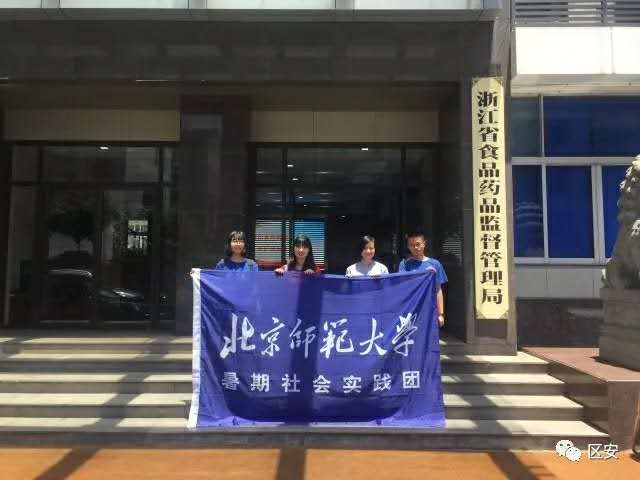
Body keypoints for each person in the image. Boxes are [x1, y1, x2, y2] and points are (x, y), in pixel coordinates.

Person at [399, 231, 448, 328]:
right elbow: (403, 287)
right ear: (408, 247)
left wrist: (440, 313)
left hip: (430, 309)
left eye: (418, 244)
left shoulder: (435, 264)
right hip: (410, 309)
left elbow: (438, 290)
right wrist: (422, 274)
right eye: (412, 245)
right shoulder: (404, 264)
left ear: (424, 244)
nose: (415, 247)